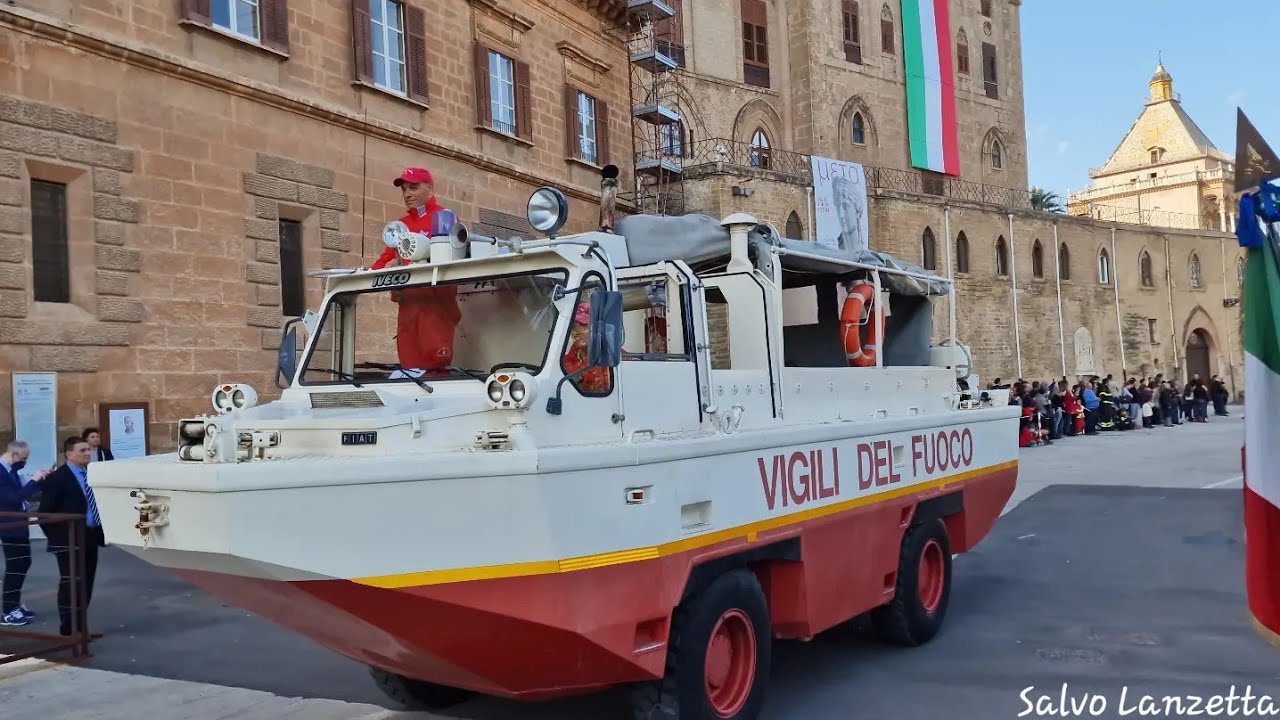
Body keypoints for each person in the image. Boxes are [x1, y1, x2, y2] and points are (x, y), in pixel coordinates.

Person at [373, 167, 461, 377]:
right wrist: (366, 272)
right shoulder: (401, 225)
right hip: (408, 305)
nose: (407, 194)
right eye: (404, 189)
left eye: (413, 187)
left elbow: (455, 259)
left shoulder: (445, 218)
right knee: (409, 367)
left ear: (429, 188)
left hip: (435, 306)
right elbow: (386, 257)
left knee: (435, 368)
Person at [38, 436, 106, 637]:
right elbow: (44, 514)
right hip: (68, 538)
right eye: (82, 450)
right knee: (71, 583)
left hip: (90, 535)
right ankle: (68, 629)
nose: (87, 453)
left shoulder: (91, 474)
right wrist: (59, 540)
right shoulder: (57, 478)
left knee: (86, 582)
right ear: (69, 454)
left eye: (88, 450)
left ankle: (81, 627)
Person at [1, 441, 50, 626]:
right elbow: (13, 498)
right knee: (15, 565)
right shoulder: (1, 472)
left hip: (19, 525)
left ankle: (14, 604)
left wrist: (41, 480)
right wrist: (34, 480)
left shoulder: (11, 471)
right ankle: (8, 610)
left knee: (23, 562)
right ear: (14, 454)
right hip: (9, 526)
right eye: (23, 458)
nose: (25, 462)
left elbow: (25, 492)